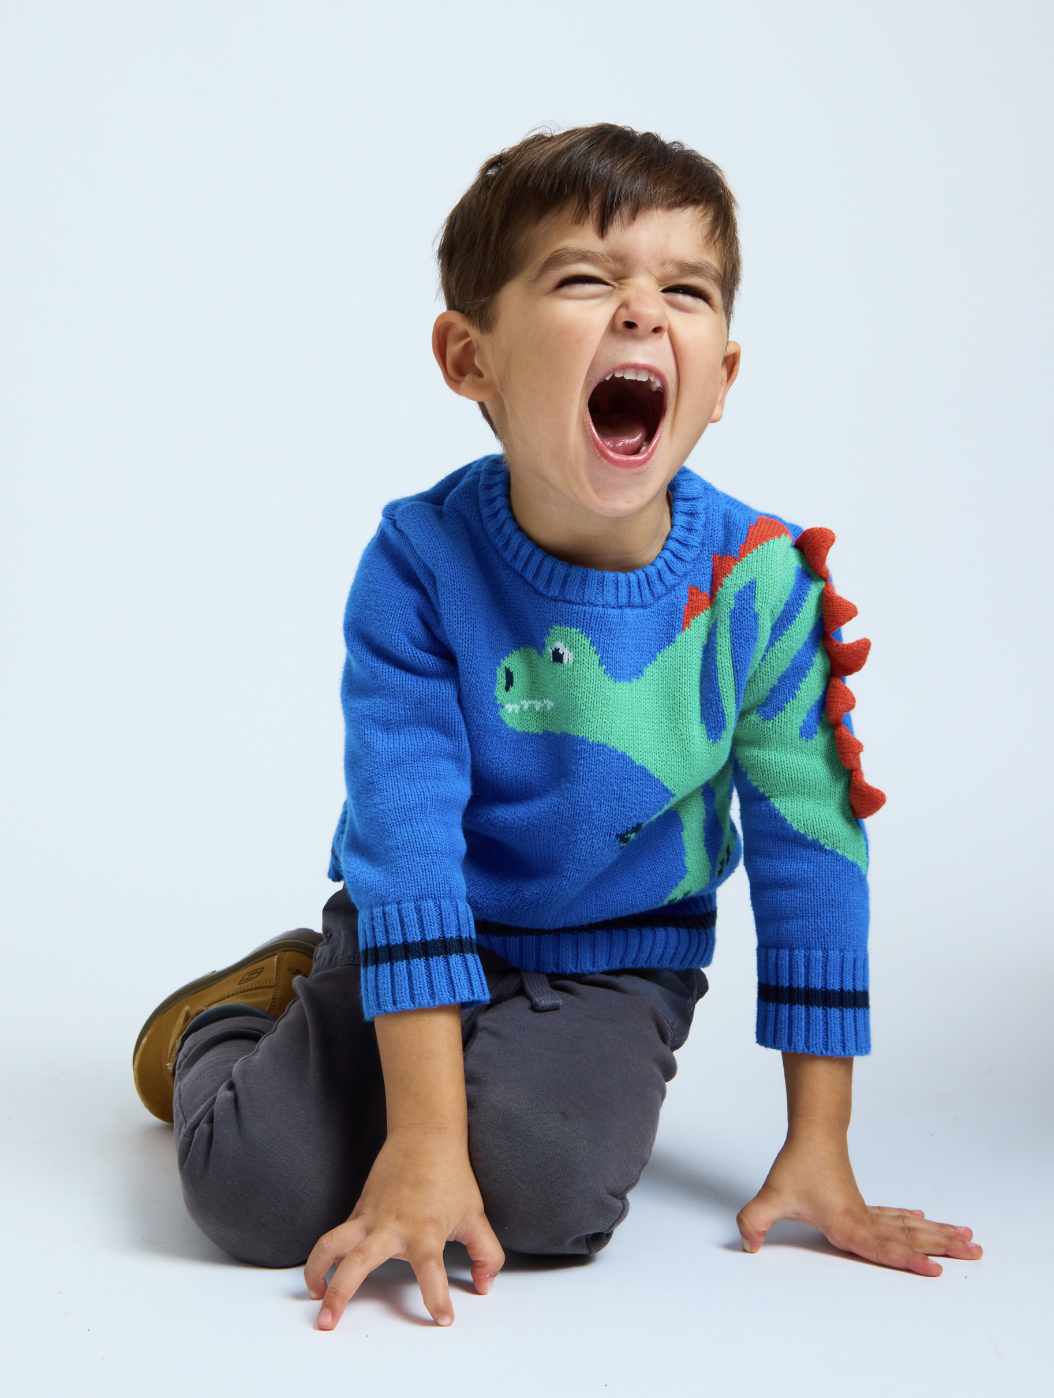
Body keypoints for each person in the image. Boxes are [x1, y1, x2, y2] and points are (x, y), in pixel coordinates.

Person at [133, 124, 982, 1330]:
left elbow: (812, 853)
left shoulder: (765, 587)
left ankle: (441, 1084)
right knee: (251, 1197)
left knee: (544, 1202)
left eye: (682, 290)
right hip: (421, 918)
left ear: (721, 378)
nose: (642, 312)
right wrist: (421, 1139)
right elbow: (409, 840)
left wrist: (819, 1145)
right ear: (467, 356)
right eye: (586, 278)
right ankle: (242, 1012)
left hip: (619, 956)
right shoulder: (417, 564)